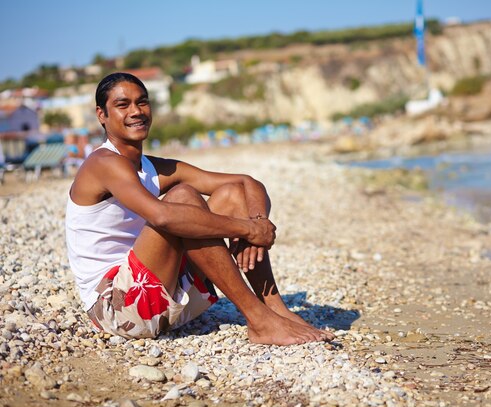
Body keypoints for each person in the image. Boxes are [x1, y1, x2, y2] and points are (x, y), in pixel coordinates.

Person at [65, 73, 334, 345]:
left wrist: (259, 220)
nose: (136, 111)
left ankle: (275, 309)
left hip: (165, 297)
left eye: (142, 102)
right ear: (102, 115)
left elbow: (246, 182)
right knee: (182, 197)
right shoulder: (103, 162)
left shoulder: (152, 167)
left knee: (232, 195)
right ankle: (259, 320)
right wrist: (249, 229)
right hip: (117, 309)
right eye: (123, 105)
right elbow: (161, 216)